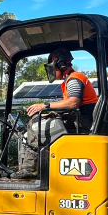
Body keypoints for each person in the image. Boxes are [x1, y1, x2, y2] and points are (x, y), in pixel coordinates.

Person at [11, 48, 98, 180]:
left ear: (60, 64)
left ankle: (29, 169)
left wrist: (44, 106)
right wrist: (53, 113)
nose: (51, 70)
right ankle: (40, 169)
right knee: (41, 122)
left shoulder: (74, 79)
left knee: (35, 124)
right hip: (80, 120)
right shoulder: (71, 79)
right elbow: (70, 105)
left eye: (52, 66)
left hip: (82, 124)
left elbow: (73, 103)